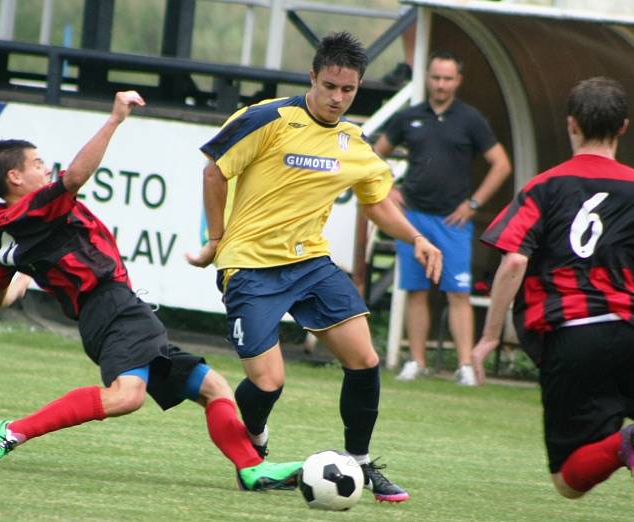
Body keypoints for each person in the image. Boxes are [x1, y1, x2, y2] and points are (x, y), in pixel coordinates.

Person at [0, 91, 303, 492]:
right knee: (126, 396)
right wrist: (115, 119)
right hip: (111, 306)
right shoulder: (37, 207)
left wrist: (21, 282)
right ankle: (13, 431)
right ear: (14, 178)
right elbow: (75, 176)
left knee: (210, 385)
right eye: (38, 164)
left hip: (110, 312)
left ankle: (251, 469)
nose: (47, 170)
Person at [186, 32, 443, 503]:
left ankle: (361, 466)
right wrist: (217, 242)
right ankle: (255, 438)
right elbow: (214, 170)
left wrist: (417, 238)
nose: (338, 98)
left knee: (364, 360)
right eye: (330, 86)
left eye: (348, 90)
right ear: (313, 77)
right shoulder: (268, 117)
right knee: (269, 382)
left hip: (310, 264)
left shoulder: (353, 141)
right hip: (251, 266)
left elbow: (378, 202)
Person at [471, 77, 634, 519]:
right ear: (623, 127)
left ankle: (624, 444)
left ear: (571, 125)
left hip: (573, 337)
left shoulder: (544, 188)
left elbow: (512, 263)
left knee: (567, 480)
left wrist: (490, 336)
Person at [374, 50, 511, 384]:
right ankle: (416, 362)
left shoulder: (471, 119)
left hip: (454, 222)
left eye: (447, 78)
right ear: (427, 77)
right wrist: (389, 188)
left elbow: (502, 164)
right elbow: (375, 154)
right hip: (413, 218)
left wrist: (473, 204)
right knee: (415, 291)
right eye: (436, 77)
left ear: (457, 81)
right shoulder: (409, 117)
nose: (440, 84)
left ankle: (465, 365)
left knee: (458, 293)